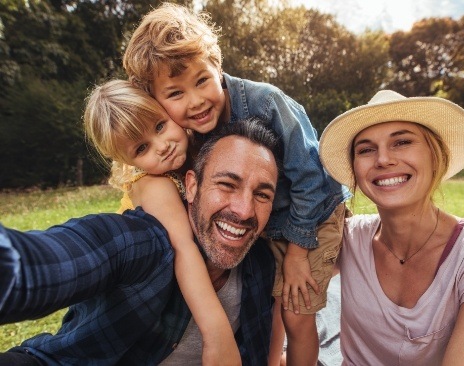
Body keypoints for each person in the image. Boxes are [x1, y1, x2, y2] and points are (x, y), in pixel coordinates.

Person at [122, 4, 351, 364]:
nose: (195, 101)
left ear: (218, 65)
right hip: (262, 220)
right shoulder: (181, 134)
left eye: (201, 80)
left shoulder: (266, 102)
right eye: (175, 93)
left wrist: (297, 252)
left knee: (295, 308)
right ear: (157, 100)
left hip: (313, 216)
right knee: (268, 303)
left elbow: (314, 176)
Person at [0, 118, 280, 365]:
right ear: (192, 185)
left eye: (262, 195)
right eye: (227, 185)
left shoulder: (261, 267)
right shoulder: (140, 243)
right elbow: (41, 264)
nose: (244, 210)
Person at [318, 89, 464, 365]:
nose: (383, 159)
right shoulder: (347, 237)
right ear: (355, 172)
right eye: (366, 149)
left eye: (402, 142)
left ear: (435, 156)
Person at [83, 79, 240, 364]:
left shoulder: (197, 149)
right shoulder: (153, 184)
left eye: (159, 126)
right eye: (141, 149)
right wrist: (218, 335)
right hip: (139, 300)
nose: (162, 146)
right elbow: (183, 250)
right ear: (125, 160)